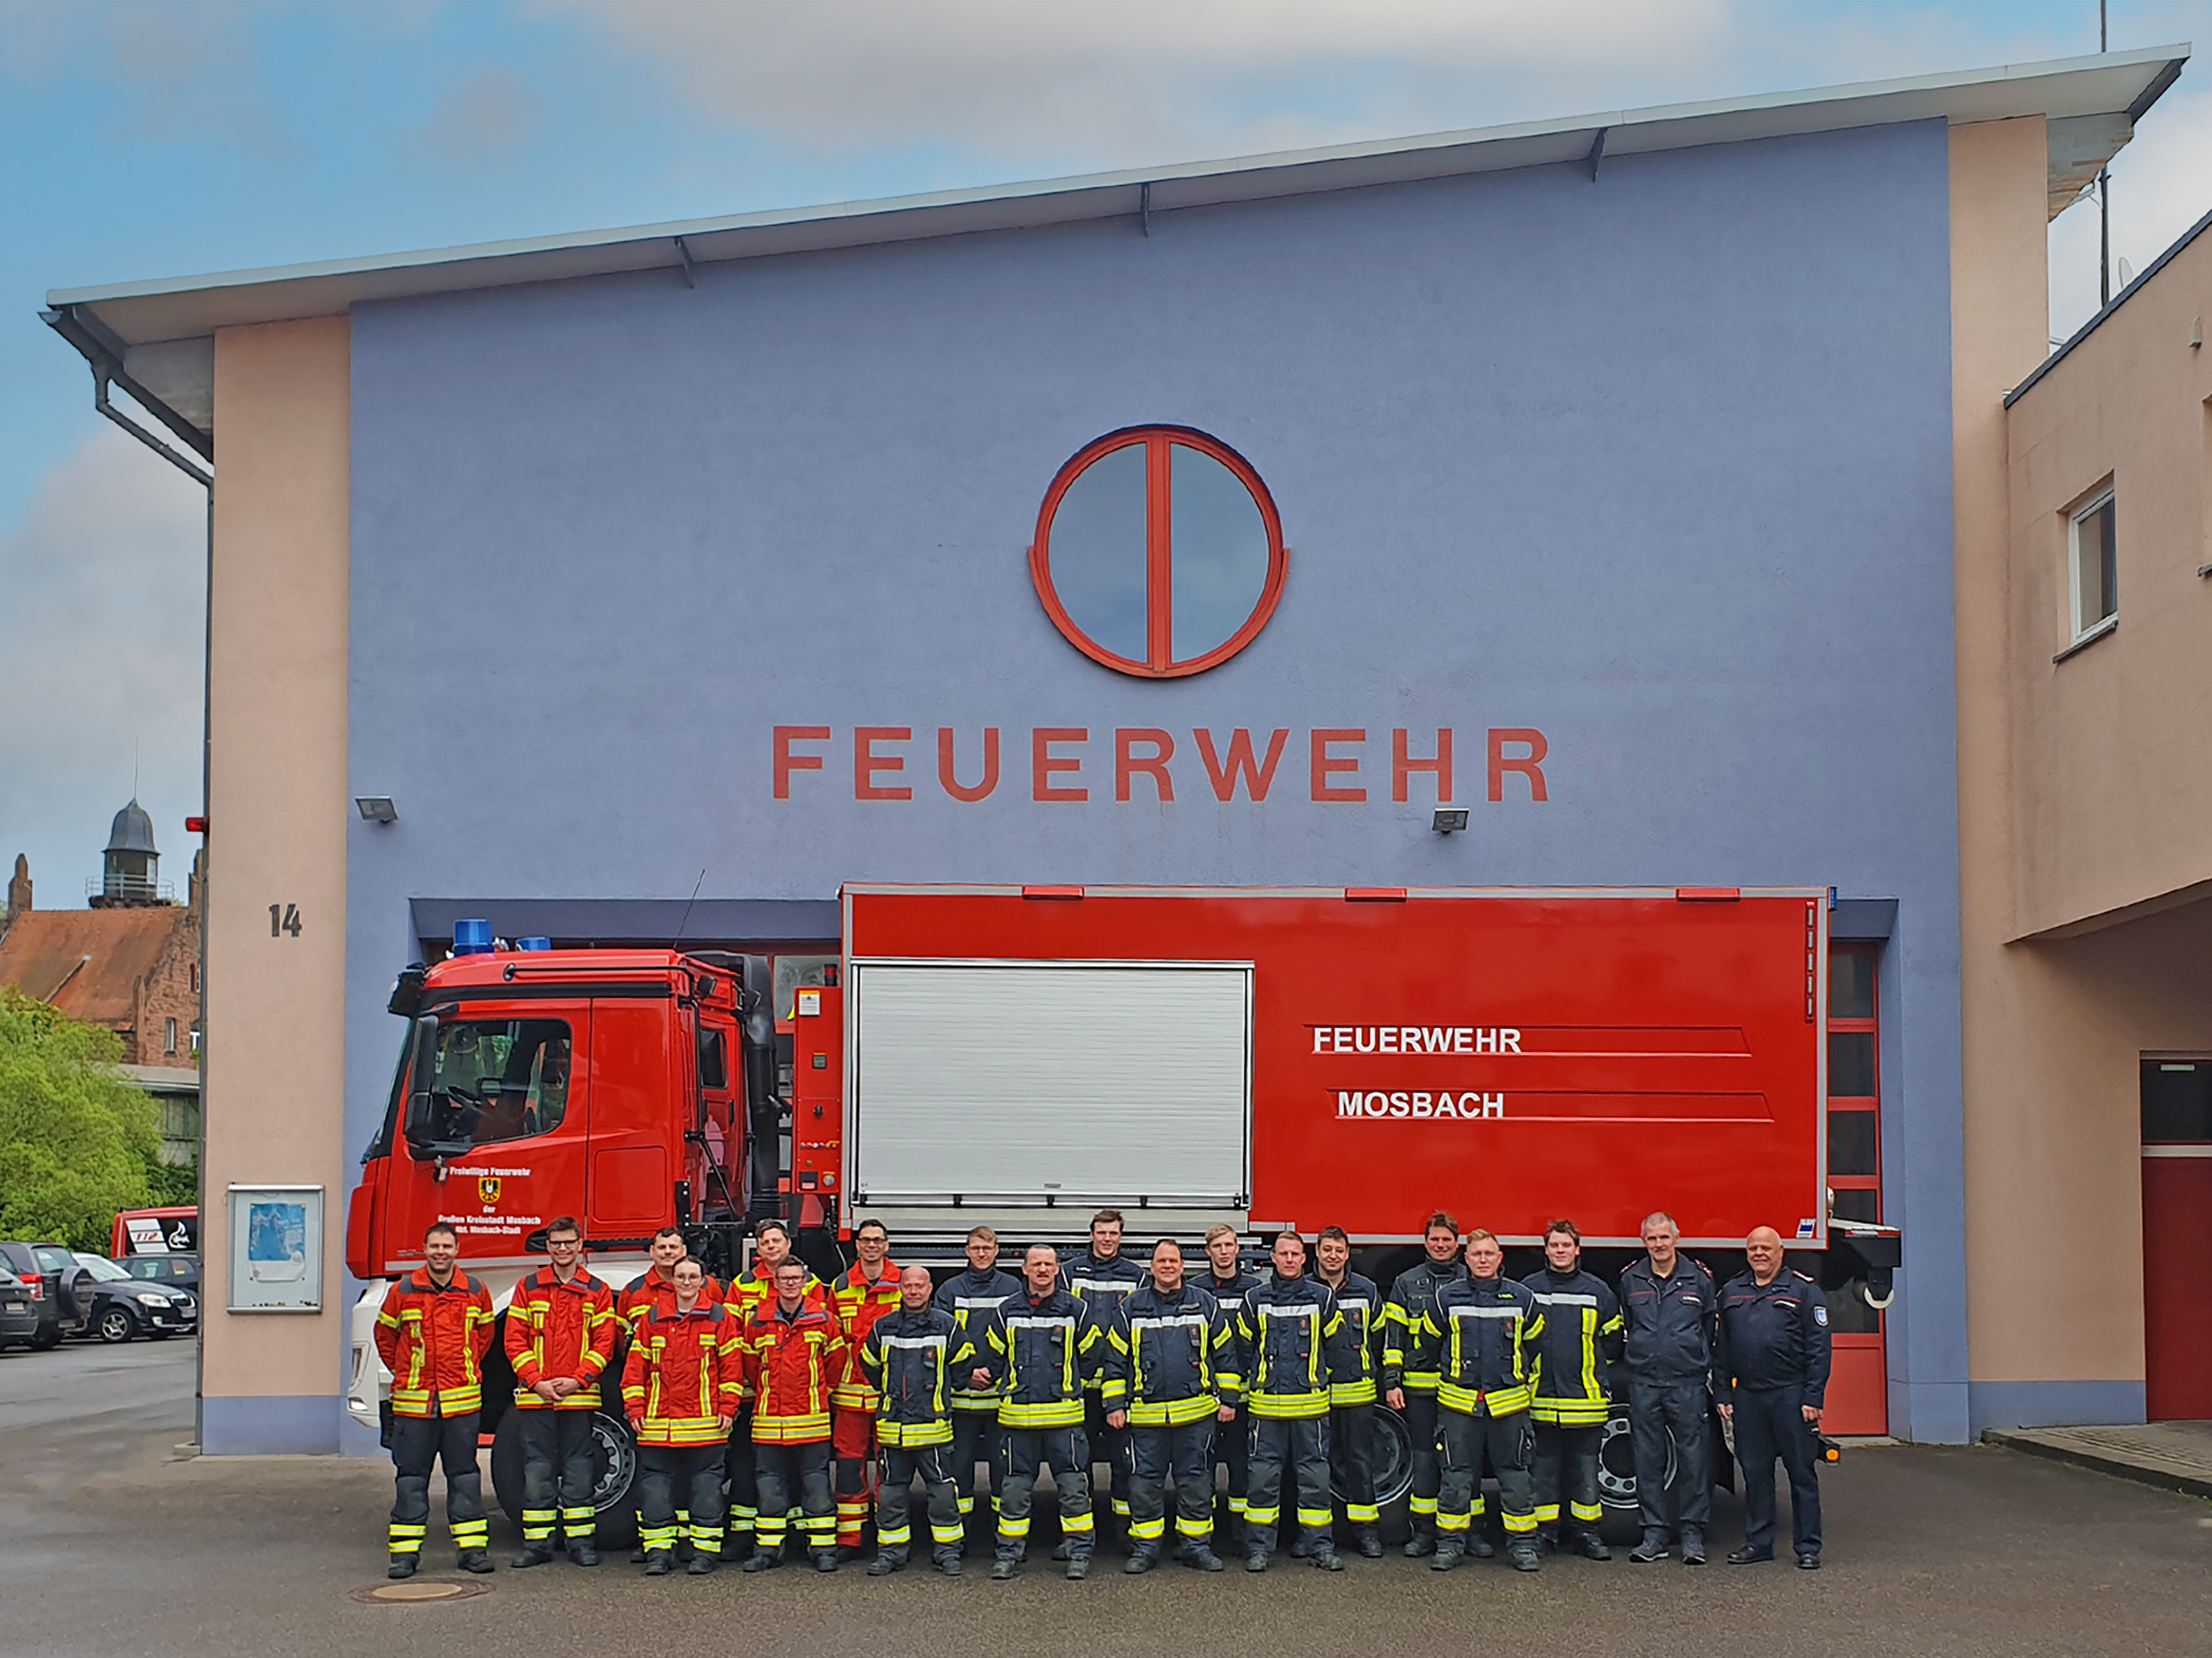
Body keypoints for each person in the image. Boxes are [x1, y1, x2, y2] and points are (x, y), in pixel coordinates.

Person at [979, 1243, 1113, 1580]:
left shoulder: (1076, 1310)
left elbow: (1092, 1354)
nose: (1042, 1270)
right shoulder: (1006, 1311)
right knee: (1014, 1492)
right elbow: (994, 1357)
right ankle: (1009, 1554)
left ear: (1057, 1270)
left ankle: (1079, 1553)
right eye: (1036, 1264)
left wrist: (1069, 1384)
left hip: (1063, 1421)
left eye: (1048, 1264)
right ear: (1024, 1270)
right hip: (1018, 1421)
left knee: (1074, 1490)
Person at [1105, 1239, 1238, 1574]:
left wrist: (1229, 1399)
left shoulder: (1205, 1304)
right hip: (1146, 1418)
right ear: (1152, 1267)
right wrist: (1114, 1405)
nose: (1167, 1266)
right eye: (1161, 1261)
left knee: (1196, 1483)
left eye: (1173, 1261)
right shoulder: (1130, 1308)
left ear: (1183, 1266)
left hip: (1196, 1416)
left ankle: (1196, 1547)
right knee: (1144, 1485)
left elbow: (1225, 1355)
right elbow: (1115, 1362)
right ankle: (1145, 1548)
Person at [375, 1222, 497, 1578]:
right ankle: (404, 1556)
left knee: (465, 1479)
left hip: (461, 1405)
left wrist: (464, 1370)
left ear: (457, 1250)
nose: (440, 1253)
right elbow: (385, 1337)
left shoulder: (476, 1291)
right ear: (424, 1249)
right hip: (415, 1406)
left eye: (446, 1246)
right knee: (411, 1481)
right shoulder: (403, 1291)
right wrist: (406, 1371)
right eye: (434, 1246)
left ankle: (472, 1552)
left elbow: (484, 1338)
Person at [1423, 1228, 1544, 1572]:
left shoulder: (1523, 1298)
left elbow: (1535, 1342)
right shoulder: (1446, 1298)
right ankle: (1450, 1545)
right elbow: (1430, 1342)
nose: (1483, 1260)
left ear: (1500, 1258)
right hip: (1459, 1405)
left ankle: (1523, 1546)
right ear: (1466, 1259)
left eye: (1489, 1254)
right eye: (1476, 1254)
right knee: (1456, 1478)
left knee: (1516, 1477)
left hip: (1509, 1406)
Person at [504, 1215, 620, 1567]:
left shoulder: (597, 1290)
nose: (563, 1248)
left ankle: (581, 1544)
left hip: (578, 1397)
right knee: (537, 1473)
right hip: (536, 1397)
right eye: (556, 1243)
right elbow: (514, 1340)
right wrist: (536, 1380)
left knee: (579, 1472)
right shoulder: (528, 1287)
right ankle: (537, 1546)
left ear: (580, 1245)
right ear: (548, 1247)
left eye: (569, 1242)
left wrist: (577, 1380)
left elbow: (604, 1344)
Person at [621, 1257, 744, 1575]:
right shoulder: (652, 1318)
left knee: (706, 1491)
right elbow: (635, 1370)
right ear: (672, 1281)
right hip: (658, 1426)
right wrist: (635, 1408)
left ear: (703, 1281)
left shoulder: (719, 1317)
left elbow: (732, 1370)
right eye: (681, 1277)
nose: (687, 1282)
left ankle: (705, 1553)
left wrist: (728, 1408)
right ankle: (659, 1553)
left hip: (706, 1426)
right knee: (656, 1492)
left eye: (693, 1277)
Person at [1718, 1226, 1832, 1570]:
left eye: (1766, 1248)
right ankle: (1759, 1543)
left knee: (1801, 1473)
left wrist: (1814, 1397)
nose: (1759, 1254)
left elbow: (1819, 1350)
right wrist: (1723, 1392)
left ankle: (1808, 1547)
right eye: (1753, 1248)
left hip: (1791, 1395)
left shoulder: (1804, 1291)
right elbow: (1722, 1349)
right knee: (1755, 1474)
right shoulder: (1732, 1292)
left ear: (1781, 1251)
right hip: (1748, 1396)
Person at [1235, 1230, 1348, 1573]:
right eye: (1282, 1254)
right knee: (1262, 1482)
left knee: (1315, 1482)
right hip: (1266, 1409)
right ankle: (1259, 1549)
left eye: (1294, 1254)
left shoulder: (1323, 1298)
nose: (1288, 1259)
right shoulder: (1255, 1299)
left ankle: (1320, 1547)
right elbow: (1243, 1348)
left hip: (1310, 1410)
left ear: (1304, 1258)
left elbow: (1337, 1349)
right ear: (1273, 1258)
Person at [860, 1264, 974, 1577]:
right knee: (891, 1496)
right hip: (894, 1430)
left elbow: (963, 1367)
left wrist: (940, 1397)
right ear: (900, 1289)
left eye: (919, 1286)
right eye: (908, 1286)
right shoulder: (883, 1327)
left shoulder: (948, 1327)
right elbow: (869, 1364)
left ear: (929, 1289)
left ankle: (948, 1552)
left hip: (933, 1430)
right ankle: (891, 1554)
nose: (913, 1291)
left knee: (942, 1496)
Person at [1619, 1211, 1719, 1565]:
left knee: (1693, 1460)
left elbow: (1708, 1327)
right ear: (1643, 1241)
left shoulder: (1699, 1279)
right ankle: (1654, 1535)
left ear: (1677, 1238)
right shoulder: (1631, 1279)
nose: (1659, 1244)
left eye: (1664, 1237)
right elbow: (1629, 1324)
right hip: (1645, 1381)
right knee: (1648, 1460)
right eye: (1652, 1238)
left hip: (1686, 1382)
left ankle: (1692, 1534)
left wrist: (1692, 1357)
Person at [1521, 1218, 1624, 1561]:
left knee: (1586, 1473)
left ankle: (1587, 1535)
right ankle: (1544, 1534)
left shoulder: (1598, 1291)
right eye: (1554, 1245)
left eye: (1566, 1245)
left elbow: (1612, 1341)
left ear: (1577, 1250)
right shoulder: (1529, 1290)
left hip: (1585, 1402)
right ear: (1546, 1249)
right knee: (1544, 1473)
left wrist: (1592, 1374)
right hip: (1541, 1400)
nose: (1560, 1251)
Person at [740, 1256, 847, 1572]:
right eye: (784, 1278)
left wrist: (819, 1393)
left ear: (805, 1282)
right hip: (769, 1423)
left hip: (811, 1421)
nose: (790, 1283)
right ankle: (768, 1551)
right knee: (769, 1490)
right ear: (775, 1283)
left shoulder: (823, 1319)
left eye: (795, 1278)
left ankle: (823, 1550)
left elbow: (836, 1363)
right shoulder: (758, 1322)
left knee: (817, 1488)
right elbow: (750, 1367)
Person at [724, 1218, 822, 1557]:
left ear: (788, 1244)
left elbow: (825, 1346)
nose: (771, 1247)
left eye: (776, 1241)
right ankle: (743, 1535)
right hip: (756, 1396)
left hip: (799, 1399)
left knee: (797, 1471)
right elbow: (735, 1338)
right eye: (765, 1242)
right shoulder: (742, 1285)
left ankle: (795, 1535)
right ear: (758, 1247)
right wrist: (756, 1382)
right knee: (747, 1468)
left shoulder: (812, 1284)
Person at [1383, 1212, 1469, 1557]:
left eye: (1447, 1240)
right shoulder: (1406, 1283)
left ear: (1457, 1243)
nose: (1440, 1245)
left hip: (1460, 1390)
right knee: (1423, 1461)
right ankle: (1423, 1533)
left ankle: (1469, 1532)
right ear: (1426, 1242)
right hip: (1419, 1390)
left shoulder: (1472, 1279)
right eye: (1435, 1239)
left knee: (1462, 1463)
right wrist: (1393, 1382)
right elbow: (1394, 1340)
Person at [1062, 1209, 1146, 1538]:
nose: (1107, 1239)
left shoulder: (1136, 1276)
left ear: (1121, 1237)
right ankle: (1080, 1534)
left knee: (1124, 1462)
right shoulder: (1069, 1273)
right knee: (1078, 1464)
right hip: (1080, 1386)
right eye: (1102, 1232)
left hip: (1120, 1386)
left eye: (1113, 1233)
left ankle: (1124, 1533)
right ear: (1092, 1235)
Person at [936, 1225, 1020, 1546]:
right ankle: (961, 1538)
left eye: (987, 1248)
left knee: (1004, 1469)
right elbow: (941, 1339)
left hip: (1000, 1399)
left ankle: (1004, 1537)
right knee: (959, 1470)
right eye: (976, 1248)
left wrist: (995, 1373)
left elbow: (1019, 1339)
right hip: (962, 1399)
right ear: (966, 1252)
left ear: (997, 1251)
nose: (981, 1254)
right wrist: (967, 1373)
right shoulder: (950, 1289)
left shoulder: (1013, 1287)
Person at [831, 1218, 902, 1555]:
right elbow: (831, 1340)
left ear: (886, 1245)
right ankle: (851, 1537)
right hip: (850, 1394)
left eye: (878, 1240)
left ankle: (886, 1533)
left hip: (890, 1394)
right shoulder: (841, 1286)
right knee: (848, 1466)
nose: (872, 1245)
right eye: (866, 1240)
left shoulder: (902, 1283)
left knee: (889, 1466)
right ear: (857, 1244)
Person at [1314, 1226, 1385, 1559]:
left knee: (1360, 1463)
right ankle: (1318, 1537)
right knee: (1316, 1468)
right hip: (1315, 1397)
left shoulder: (1366, 1290)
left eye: (1339, 1250)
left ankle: (1366, 1533)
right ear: (1317, 1252)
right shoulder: (1306, 1290)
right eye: (1327, 1249)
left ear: (1347, 1254)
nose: (1333, 1256)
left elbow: (1379, 1336)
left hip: (1357, 1395)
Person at [1196, 1224, 1260, 1552]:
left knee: (1240, 1465)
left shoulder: (1254, 1290)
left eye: (1229, 1245)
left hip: (1244, 1394)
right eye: (1217, 1246)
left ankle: (1239, 1534)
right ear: (1208, 1252)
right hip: (1206, 1394)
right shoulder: (1195, 1291)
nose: (1224, 1251)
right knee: (1202, 1465)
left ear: (1238, 1249)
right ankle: (1204, 1532)